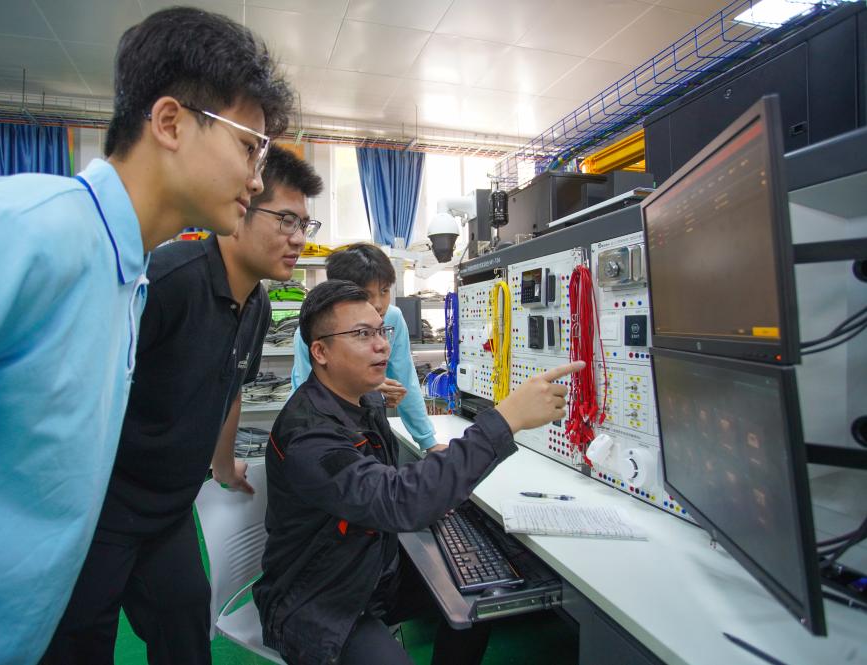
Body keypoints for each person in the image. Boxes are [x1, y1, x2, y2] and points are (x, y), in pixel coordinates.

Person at [0, 8, 292, 665]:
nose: (258, 177)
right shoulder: (27, 231)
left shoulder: (126, 275)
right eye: (248, 146)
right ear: (171, 122)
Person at [43, 145, 323, 664]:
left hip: (167, 509)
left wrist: (223, 465)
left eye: (305, 224)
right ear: (240, 208)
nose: (299, 238)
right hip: (101, 507)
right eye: (286, 220)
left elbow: (230, 388)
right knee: (79, 642)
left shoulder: (258, 305)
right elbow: (76, 388)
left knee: (186, 626)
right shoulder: (167, 281)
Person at [254, 279, 583, 665]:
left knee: (484, 594)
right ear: (320, 351)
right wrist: (506, 419)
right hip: (317, 600)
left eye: (381, 331)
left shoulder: (360, 402)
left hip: (368, 567)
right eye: (362, 334)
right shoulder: (309, 435)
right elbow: (398, 502)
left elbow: (388, 485)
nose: (381, 345)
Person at [291, 243, 445, 452]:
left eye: (384, 291)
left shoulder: (392, 318)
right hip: (317, 425)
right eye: (366, 293)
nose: (379, 304)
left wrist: (428, 442)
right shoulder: (312, 330)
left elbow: (406, 378)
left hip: (366, 419)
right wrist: (369, 388)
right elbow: (308, 392)